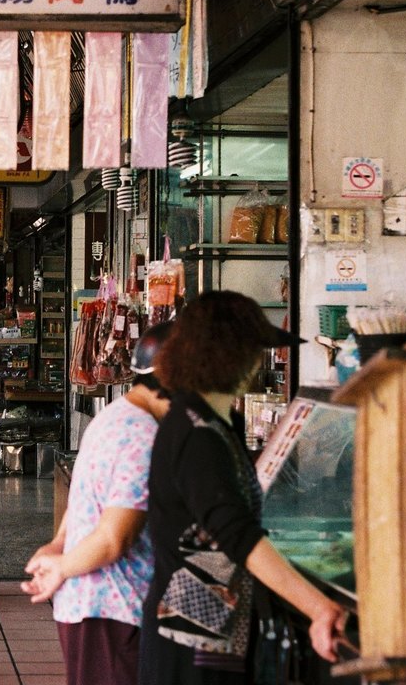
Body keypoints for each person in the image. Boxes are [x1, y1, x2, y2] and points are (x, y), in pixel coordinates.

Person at [140, 291, 347, 685]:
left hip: (217, 620)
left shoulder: (219, 422)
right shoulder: (195, 431)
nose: (258, 363)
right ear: (227, 355)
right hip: (192, 632)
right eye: (255, 351)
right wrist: (318, 607)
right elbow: (235, 532)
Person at [21, 323, 173, 685]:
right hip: (113, 606)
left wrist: (59, 546)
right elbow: (112, 539)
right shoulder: (143, 434)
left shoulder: (114, 416)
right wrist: (62, 566)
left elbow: (85, 497)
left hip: (91, 603)